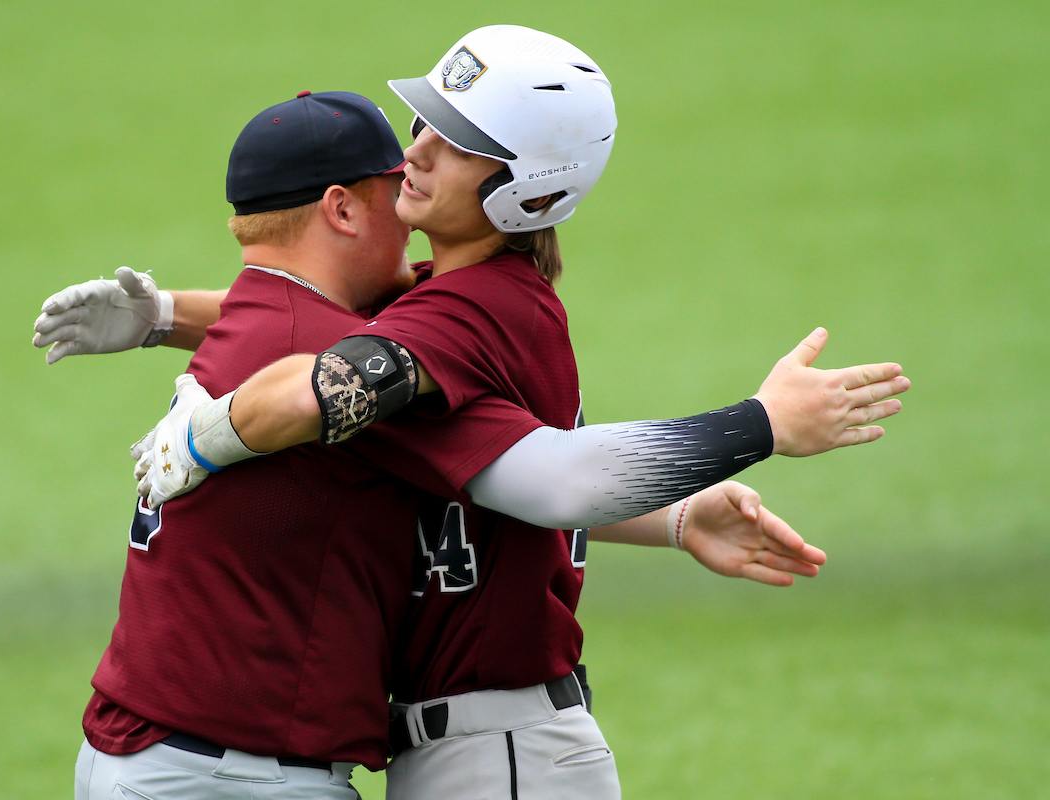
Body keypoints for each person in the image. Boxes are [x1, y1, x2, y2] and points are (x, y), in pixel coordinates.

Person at [118, 26, 908, 800]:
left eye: (457, 141)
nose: (414, 151)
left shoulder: (471, 312)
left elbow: (326, 390)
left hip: (504, 757)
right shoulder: (447, 299)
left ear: (529, 186)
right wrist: (165, 316)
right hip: (478, 750)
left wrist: (760, 424)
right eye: (425, 120)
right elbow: (486, 459)